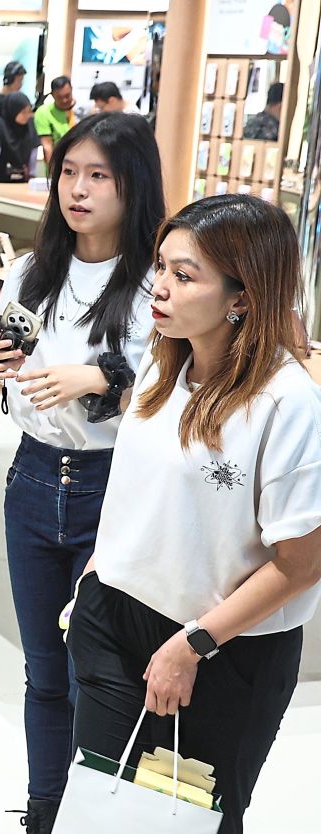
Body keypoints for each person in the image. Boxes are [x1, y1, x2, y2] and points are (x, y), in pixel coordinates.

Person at [69, 194, 321, 834]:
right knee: (102, 811)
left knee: (186, 822)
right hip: (113, 621)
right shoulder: (163, 363)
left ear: (242, 296)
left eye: (185, 276)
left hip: (221, 650)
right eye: (161, 266)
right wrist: (97, 575)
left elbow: (301, 564)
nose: (160, 287)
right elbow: (141, 489)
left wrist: (194, 643)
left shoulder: (287, 403)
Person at [0, 112, 165, 834]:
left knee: (99, 676)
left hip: (117, 486)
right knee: (44, 673)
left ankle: (97, 816)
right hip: (34, 479)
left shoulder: (153, 279)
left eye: (98, 175)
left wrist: (98, 374)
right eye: (69, 173)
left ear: (131, 183)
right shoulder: (32, 270)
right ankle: (45, 812)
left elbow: (176, 381)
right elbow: (4, 348)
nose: (77, 190)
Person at [0, 92, 40, 185]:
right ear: (13, 111)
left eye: (29, 111)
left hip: (21, 178)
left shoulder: (30, 124)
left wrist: (32, 175)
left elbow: (34, 151)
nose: (28, 115)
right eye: (23, 112)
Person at [35, 76, 76, 165]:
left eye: (67, 96)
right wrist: (52, 170)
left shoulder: (80, 111)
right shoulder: (44, 112)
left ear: (71, 90)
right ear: (52, 95)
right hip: (59, 163)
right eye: (59, 97)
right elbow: (47, 145)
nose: (64, 100)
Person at [0, 60, 28, 124]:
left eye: (22, 81)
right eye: (19, 81)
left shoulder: (20, 99)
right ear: (10, 80)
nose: (21, 84)